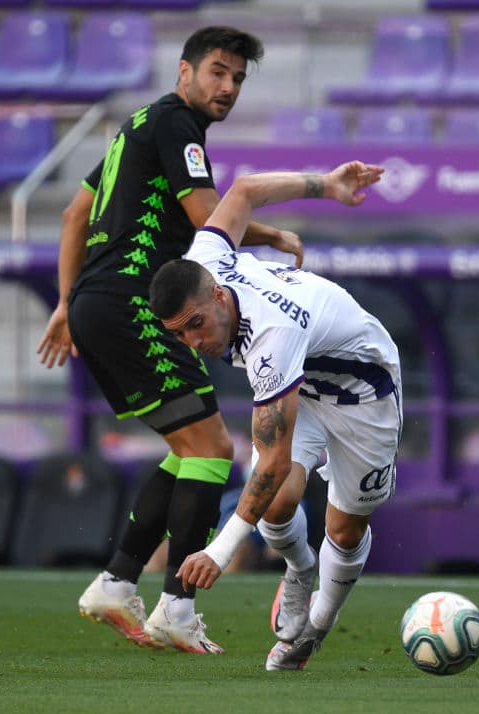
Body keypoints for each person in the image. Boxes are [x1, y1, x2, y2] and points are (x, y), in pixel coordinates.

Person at [36, 27, 304, 655]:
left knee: (189, 451)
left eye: (237, 78)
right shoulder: (177, 122)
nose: (227, 87)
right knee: (212, 445)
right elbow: (208, 217)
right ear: (185, 72)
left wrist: (64, 301)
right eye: (217, 71)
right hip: (134, 301)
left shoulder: (138, 125)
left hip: (99, 304)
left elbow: (76, 214)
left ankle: (116, 581)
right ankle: (176, 607)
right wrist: (268, 234)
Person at [148, 160, 400, 673]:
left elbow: (274, 461)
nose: (194, 343)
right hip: (303, 382)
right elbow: (242, 191)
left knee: (344, 529)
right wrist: (324, 185)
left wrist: (217, 553)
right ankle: (300, 571)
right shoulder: (205, 261)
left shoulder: (271, 335)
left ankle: (314, 630)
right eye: (180, 335)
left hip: (362, 391)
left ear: (218, 296)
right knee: (273, 504)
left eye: (196, 325)